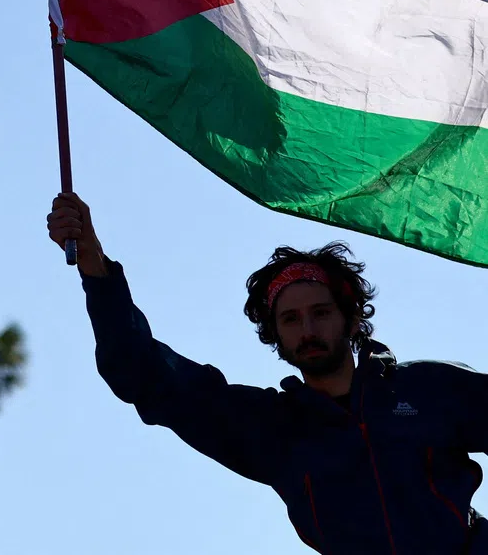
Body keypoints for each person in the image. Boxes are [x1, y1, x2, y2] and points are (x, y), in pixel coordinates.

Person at [47, 191, 488, 553]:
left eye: (320, 313)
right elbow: (143, 373)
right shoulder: (274, 428)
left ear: (352, 319)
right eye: (291, 320)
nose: (308, 330)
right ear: (275, 334)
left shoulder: (429, 389)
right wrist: (94, 265)